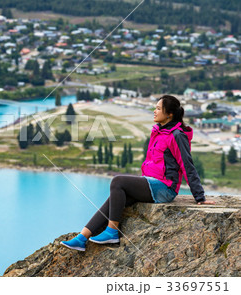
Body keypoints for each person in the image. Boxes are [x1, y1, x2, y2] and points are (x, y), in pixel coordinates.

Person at [61, 95, 215, 251]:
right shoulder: (159, 132)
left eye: (158, 108)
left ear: (169, 114)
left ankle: (112, 232)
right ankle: (82, 238)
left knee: (118, 181)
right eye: (155, 107)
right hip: (151, 182)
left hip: (165, 188)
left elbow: (187, 165)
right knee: (115, 198)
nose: (154, 111)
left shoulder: (177, 135)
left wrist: (199, 197)